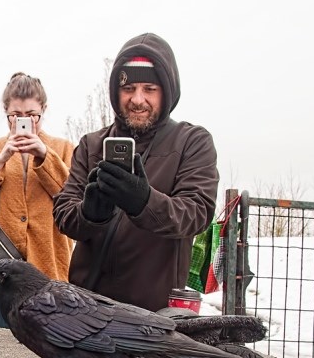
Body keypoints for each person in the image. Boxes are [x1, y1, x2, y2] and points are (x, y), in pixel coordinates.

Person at [53, 32, 219, 313]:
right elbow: (64, 215)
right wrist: (92, 212)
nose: (137, 99)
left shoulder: (192, 141)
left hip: (156, 314)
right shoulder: (92, 145)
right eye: (128, 88)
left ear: (166, 92)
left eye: (149, 89)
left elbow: (196, 213)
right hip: (88, 310)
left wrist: (143, 201)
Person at [0, 72, 74, 327]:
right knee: (1, 351)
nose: (24, 121)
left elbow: (75, 200)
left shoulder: (64, 149)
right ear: (6, 111)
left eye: (32, 115)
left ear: (44, 110)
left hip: (48, 274)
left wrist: (45, 156)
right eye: (16, 115)